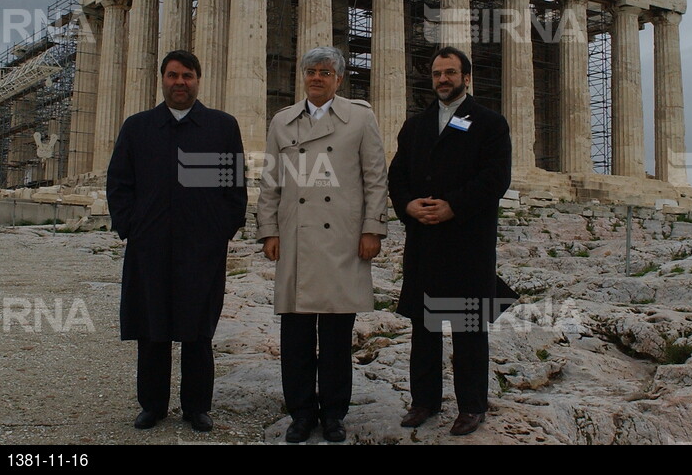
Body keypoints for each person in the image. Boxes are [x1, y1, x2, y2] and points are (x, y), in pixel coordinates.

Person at [107, 49, 247, 432]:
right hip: (149, 245)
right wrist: (131, 227)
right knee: (151, 328)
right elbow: (119, 183)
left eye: (187, 75)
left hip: (202, 248)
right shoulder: (137, 127)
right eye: (172, 75)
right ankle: (152, 405)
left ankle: (197, 407)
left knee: (197, 331)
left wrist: (221, 232)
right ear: (163, 80)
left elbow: (234, 188)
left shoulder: (221, 127)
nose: (179, 82)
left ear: (197, 80)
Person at [256, 46, 388, 443]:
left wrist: (373, 229)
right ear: (304, 76)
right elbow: (271, 180)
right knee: (295, 336)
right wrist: (268, 231)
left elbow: (375, 178)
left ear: (339, 79)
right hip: (295, 237)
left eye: (325, 72)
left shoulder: (361, 118)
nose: (317, 77)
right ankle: (300, 412)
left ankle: (333, 413)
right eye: (311, 71)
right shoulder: (282, 122)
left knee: (335, 336)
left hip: (342, 240)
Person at [387, 46, 517, 436]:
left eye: (450, 73)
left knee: (467, 328)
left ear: (466, 77)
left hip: (466, 240)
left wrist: (453, 207)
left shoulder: (489, 123)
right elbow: (397, 177)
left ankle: (471, 406)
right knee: (423, 327)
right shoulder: (415, 126)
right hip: (424, 239)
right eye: (437, 73)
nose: (443, 79)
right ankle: (423, 402)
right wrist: (408, 205)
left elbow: (496, 178)